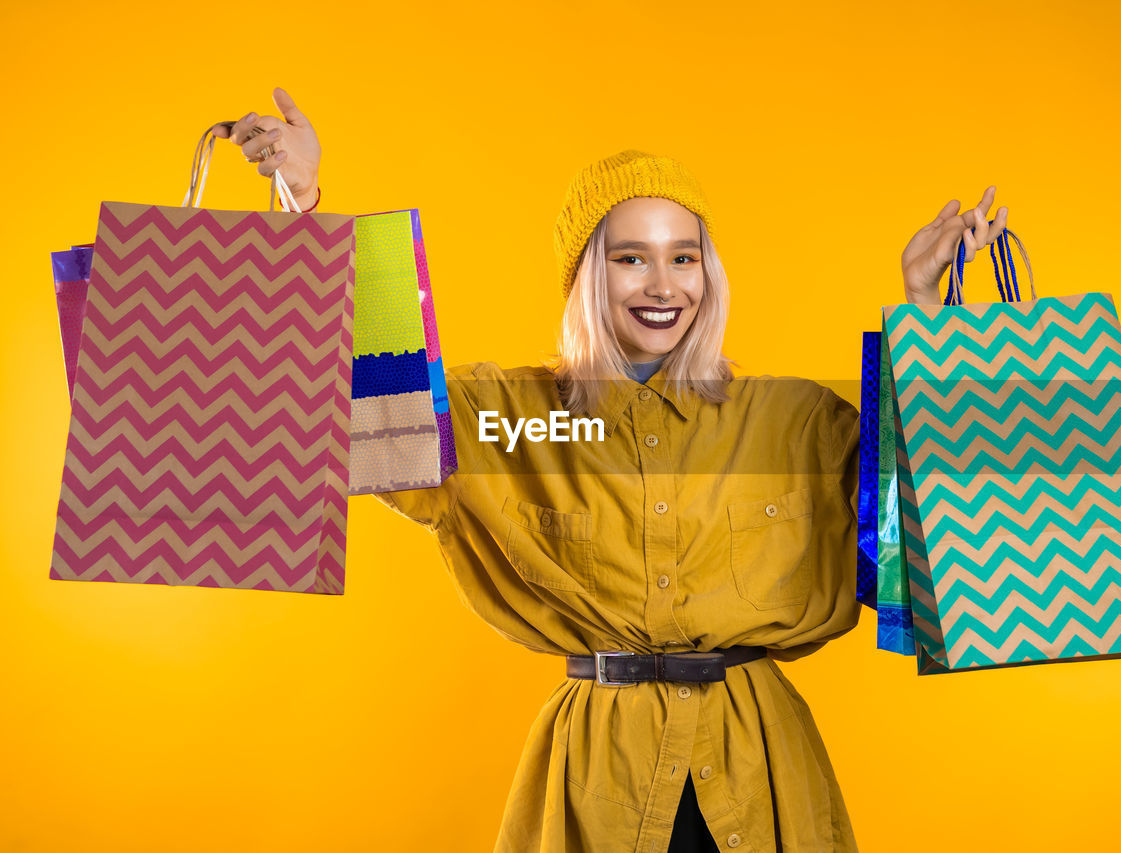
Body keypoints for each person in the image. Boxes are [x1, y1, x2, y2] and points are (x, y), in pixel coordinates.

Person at [218, 88, 1009, 852]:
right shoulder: (506, 419)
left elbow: (919, 543)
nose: (664, 285)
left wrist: (922, 307)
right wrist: (304, 202)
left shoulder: (793, 422)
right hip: (597, 787)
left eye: (684, 256)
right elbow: (354, 410)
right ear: (587, 275)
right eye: (630, 257)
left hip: (766, 779)